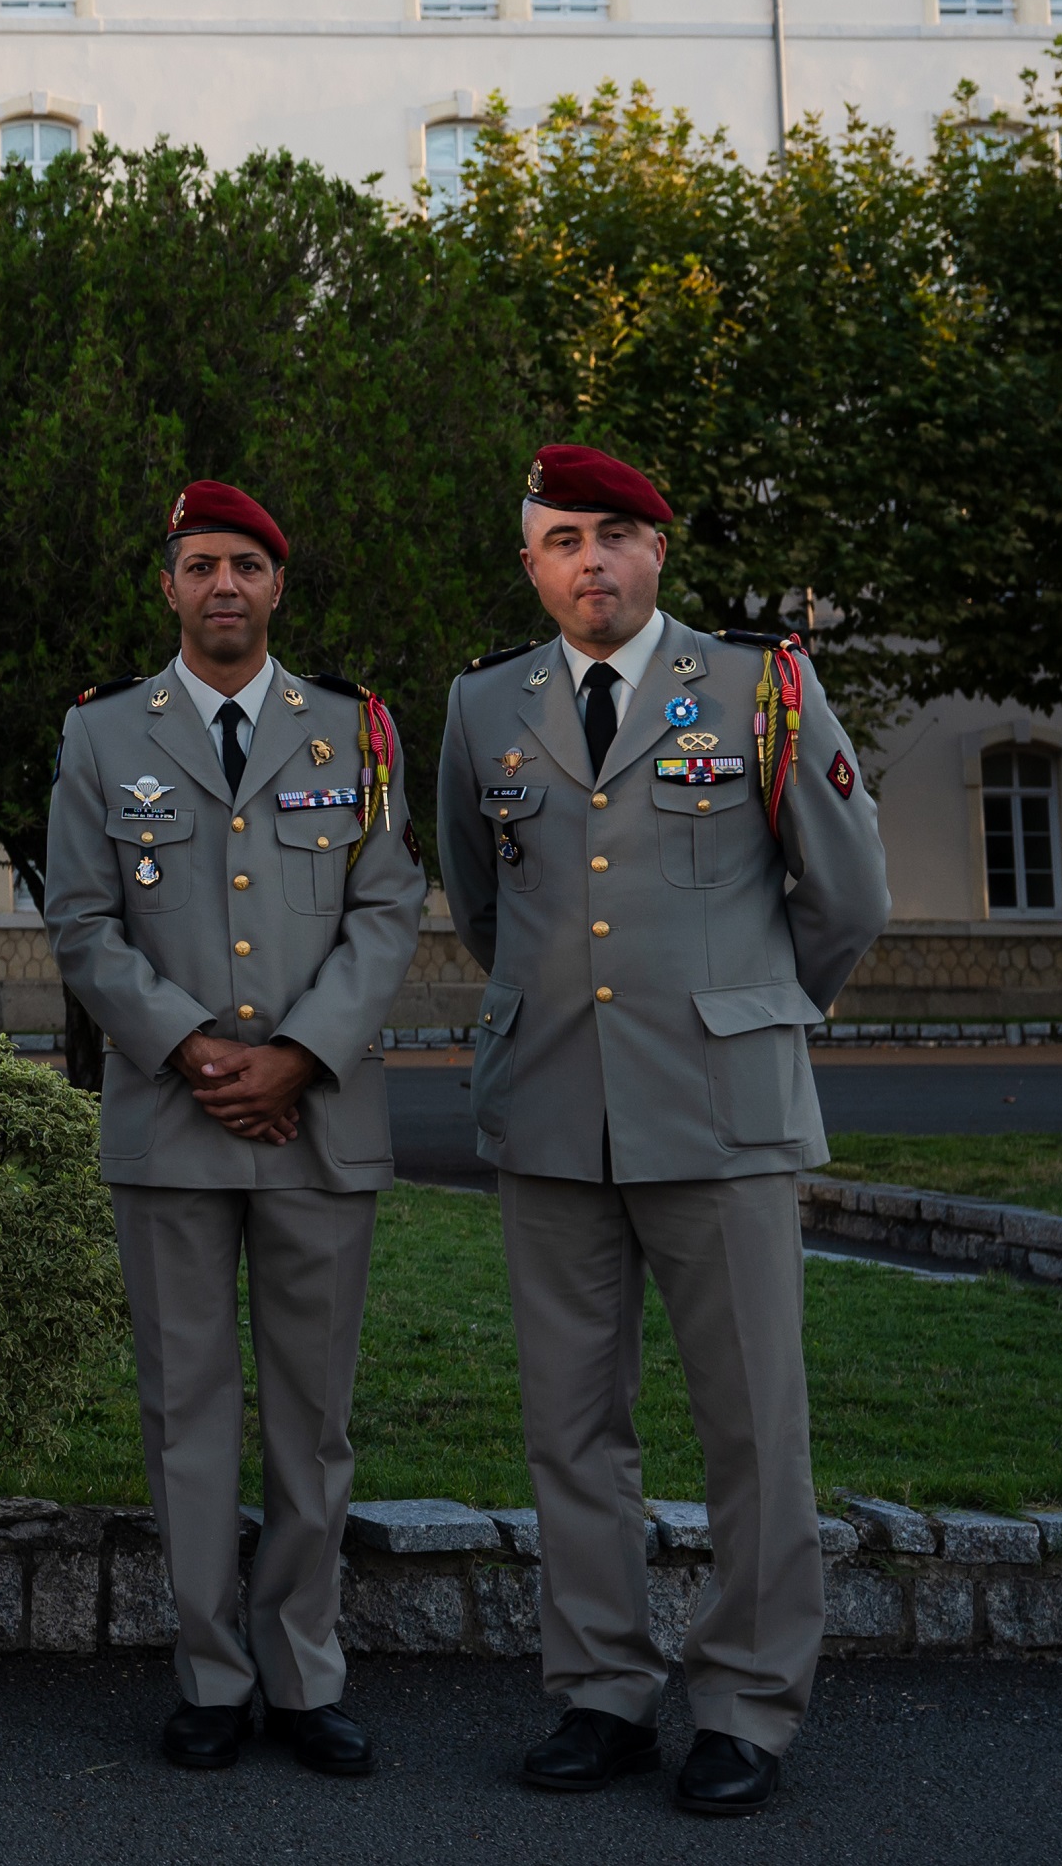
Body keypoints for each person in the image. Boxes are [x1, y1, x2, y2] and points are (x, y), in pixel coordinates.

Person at [435, 444, 889, 1819]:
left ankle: (748, 1704)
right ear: (532, 562)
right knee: (573, 1427)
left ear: (659, 552)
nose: (593, 560)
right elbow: (479, 898)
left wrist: (751, 1008)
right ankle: (602, 1692)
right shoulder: (481, 704)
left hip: (722, 1113)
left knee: (753, 1422)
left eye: (616, 534)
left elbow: (849, 896)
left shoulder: (761, 687)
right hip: (555, 1108)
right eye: (564, 538)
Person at [42, 480, 422, 1778]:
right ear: (169, 584)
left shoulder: (352, 728)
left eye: (247, 565)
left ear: (276, 586)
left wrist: (299, 1055)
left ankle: (308, 1675)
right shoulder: (102, 736)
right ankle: (210, 1673)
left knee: (313, 1418)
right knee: (185, 1411)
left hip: (315, 1122)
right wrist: (201, 1048)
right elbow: (83, 925)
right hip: (175, 1115)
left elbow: (387, 911)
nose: (223, 585)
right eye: (201, 562)